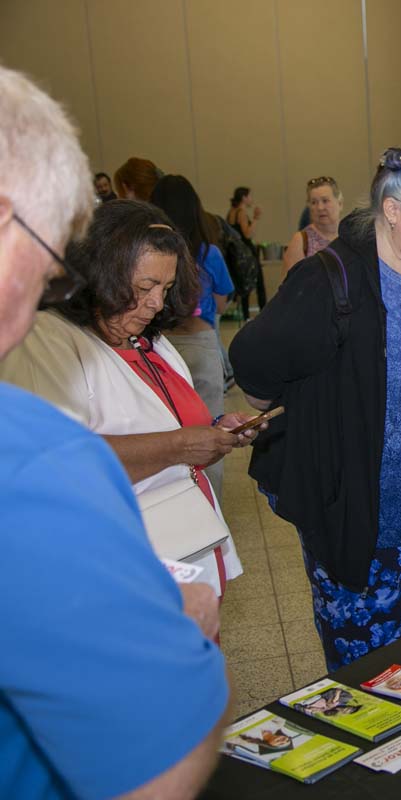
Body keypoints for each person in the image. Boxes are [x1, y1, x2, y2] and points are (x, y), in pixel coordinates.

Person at [0, 62, 229, 799]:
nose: (49, 283)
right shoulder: (36, 461)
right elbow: (158, 768)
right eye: (50, 249)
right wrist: (184, 632)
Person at [230, 145, 401, 670]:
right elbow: (254, 359)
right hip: (367, 523)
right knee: (370, 677)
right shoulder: (330, 277)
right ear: (391, 209)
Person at [0, 200, 262, 595]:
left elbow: (157, 423)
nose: (157, 302)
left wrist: (213, 431)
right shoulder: (46, 340)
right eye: (144, 288)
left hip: (184, 545)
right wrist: (180, 445)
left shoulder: (148, 341)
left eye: (166, 288)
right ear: (99, 274)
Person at [150, 175, 236, 495]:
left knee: (165, 430)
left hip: (157, 344)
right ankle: (208, 508)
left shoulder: (147, 252)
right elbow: (223, 300)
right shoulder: (207, 252)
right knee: (210, 430)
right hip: (200, 341)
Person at [282, 176, 343, 274]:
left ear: (340, 203)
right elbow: (287, 286)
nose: (320, 207)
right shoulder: (300, 241)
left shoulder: (351, 236)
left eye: (325, 201)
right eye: (313, 202)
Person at [227, 185, 267, 315]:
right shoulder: (241, 212)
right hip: (247, 252)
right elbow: (247, 233)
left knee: (244, 283)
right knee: (259, 282)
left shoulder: (231, 212)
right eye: (249, 196)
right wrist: (255, 218)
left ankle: (245, 315)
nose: (251, 199)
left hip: (237, 253)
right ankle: (264, 311)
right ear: (244, 197)